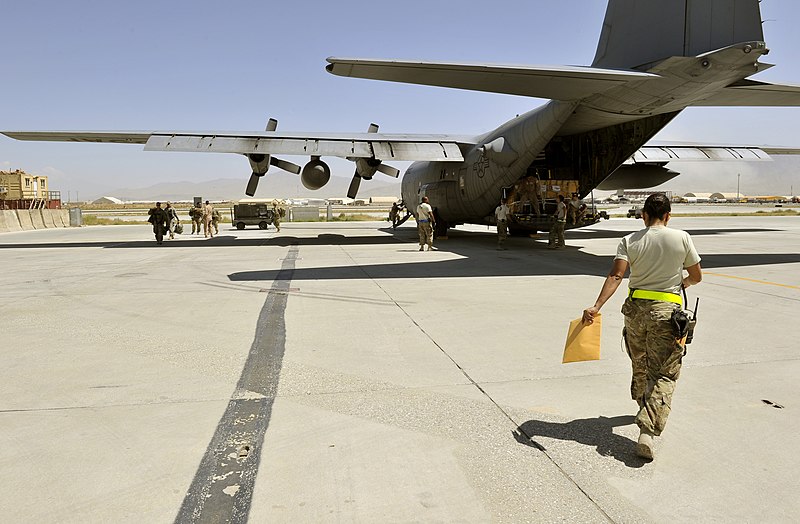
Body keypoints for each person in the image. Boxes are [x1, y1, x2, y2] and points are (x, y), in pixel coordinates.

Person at [581, 193, 702, 460]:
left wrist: (596, 306)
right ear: (668, 215)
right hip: (666, 313)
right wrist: (683, 284)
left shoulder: (629, 241)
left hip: (635, 311)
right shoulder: (681, 237)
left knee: (641, 362)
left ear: (643, 216)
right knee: (665, 372)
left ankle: (642, 402)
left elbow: (616, 275)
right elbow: (696, 276)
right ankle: (647, 430)